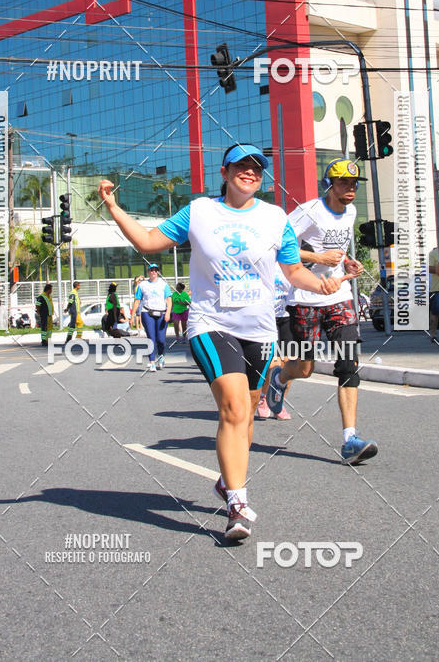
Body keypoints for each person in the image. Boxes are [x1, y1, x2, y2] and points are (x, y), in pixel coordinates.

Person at [98, 143, 346, 540]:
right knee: (232, 407)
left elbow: (293, 270)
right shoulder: (199, 211)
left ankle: (227, 482)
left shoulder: (275, 217)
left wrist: (321, 283)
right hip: (212, 323)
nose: (250, 172)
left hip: (261, 330)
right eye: (241, 166)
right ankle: (237, 504)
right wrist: (112, 207)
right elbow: (147, 241)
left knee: (246, 414)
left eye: (256, 168)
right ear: (225, 172)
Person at [266, 158, 378, 465]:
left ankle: (350, 439)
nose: (350, 189)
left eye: (354, 184)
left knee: (349, 364)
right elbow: (277, 243)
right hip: (305, 299)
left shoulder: (352, 211)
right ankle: (279, 377)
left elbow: (338, 255)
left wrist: (347, 265)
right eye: (343, 183)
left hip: (339, 297)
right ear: (330, 183)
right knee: (304, 368)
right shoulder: (310, 211)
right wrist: (317, 256)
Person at [257, 264, 294, 421]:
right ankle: (264, 398)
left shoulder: (291, 261)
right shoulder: (263, 259)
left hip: (288, 315)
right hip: (267, 317)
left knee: (289, 363)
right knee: (271, 363)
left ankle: (278, 402)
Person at [131, 264, 172, 371]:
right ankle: (152, 361)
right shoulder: (143, 285)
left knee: (161, 339)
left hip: (161, 313)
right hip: (147, 312)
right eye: (151, 270)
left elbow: (169, 300)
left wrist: (168, 313)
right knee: (151, 338)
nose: (153, 272)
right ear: (148, 272)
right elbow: (137, 300)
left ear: (158, 272)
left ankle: (161, 355)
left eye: (155, 270)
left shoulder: (163, 284)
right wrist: (132, 316)